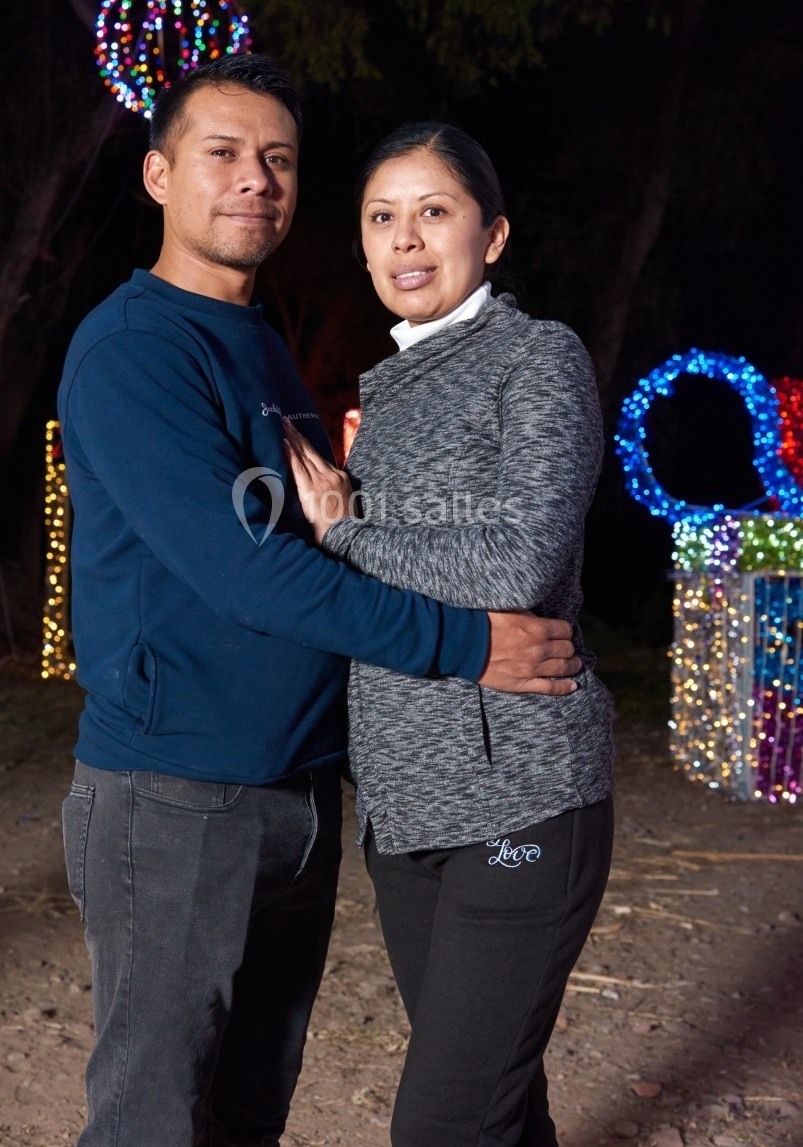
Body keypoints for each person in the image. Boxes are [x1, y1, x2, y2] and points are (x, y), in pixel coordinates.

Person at [57, 56, 583, 1147]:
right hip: (176, 794)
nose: (256, 178)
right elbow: (248, 568)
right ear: (159, 175)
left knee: (250, 1105)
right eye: (223, 153)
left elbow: (355, 538)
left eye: (279, 160)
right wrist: (461, 645)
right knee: (155, 1114)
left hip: (296, 797)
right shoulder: (131, 349)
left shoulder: (260, 345)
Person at [283, 121, 616, 1147]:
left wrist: (345, 528)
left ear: (494, 234)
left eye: (435, 211)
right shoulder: (383, 394)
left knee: (441, 1123)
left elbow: (516, 564)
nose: (407, 239)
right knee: (498, 1109)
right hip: (404, 809)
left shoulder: (536, 358)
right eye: (383, 216)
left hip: (517, 794)